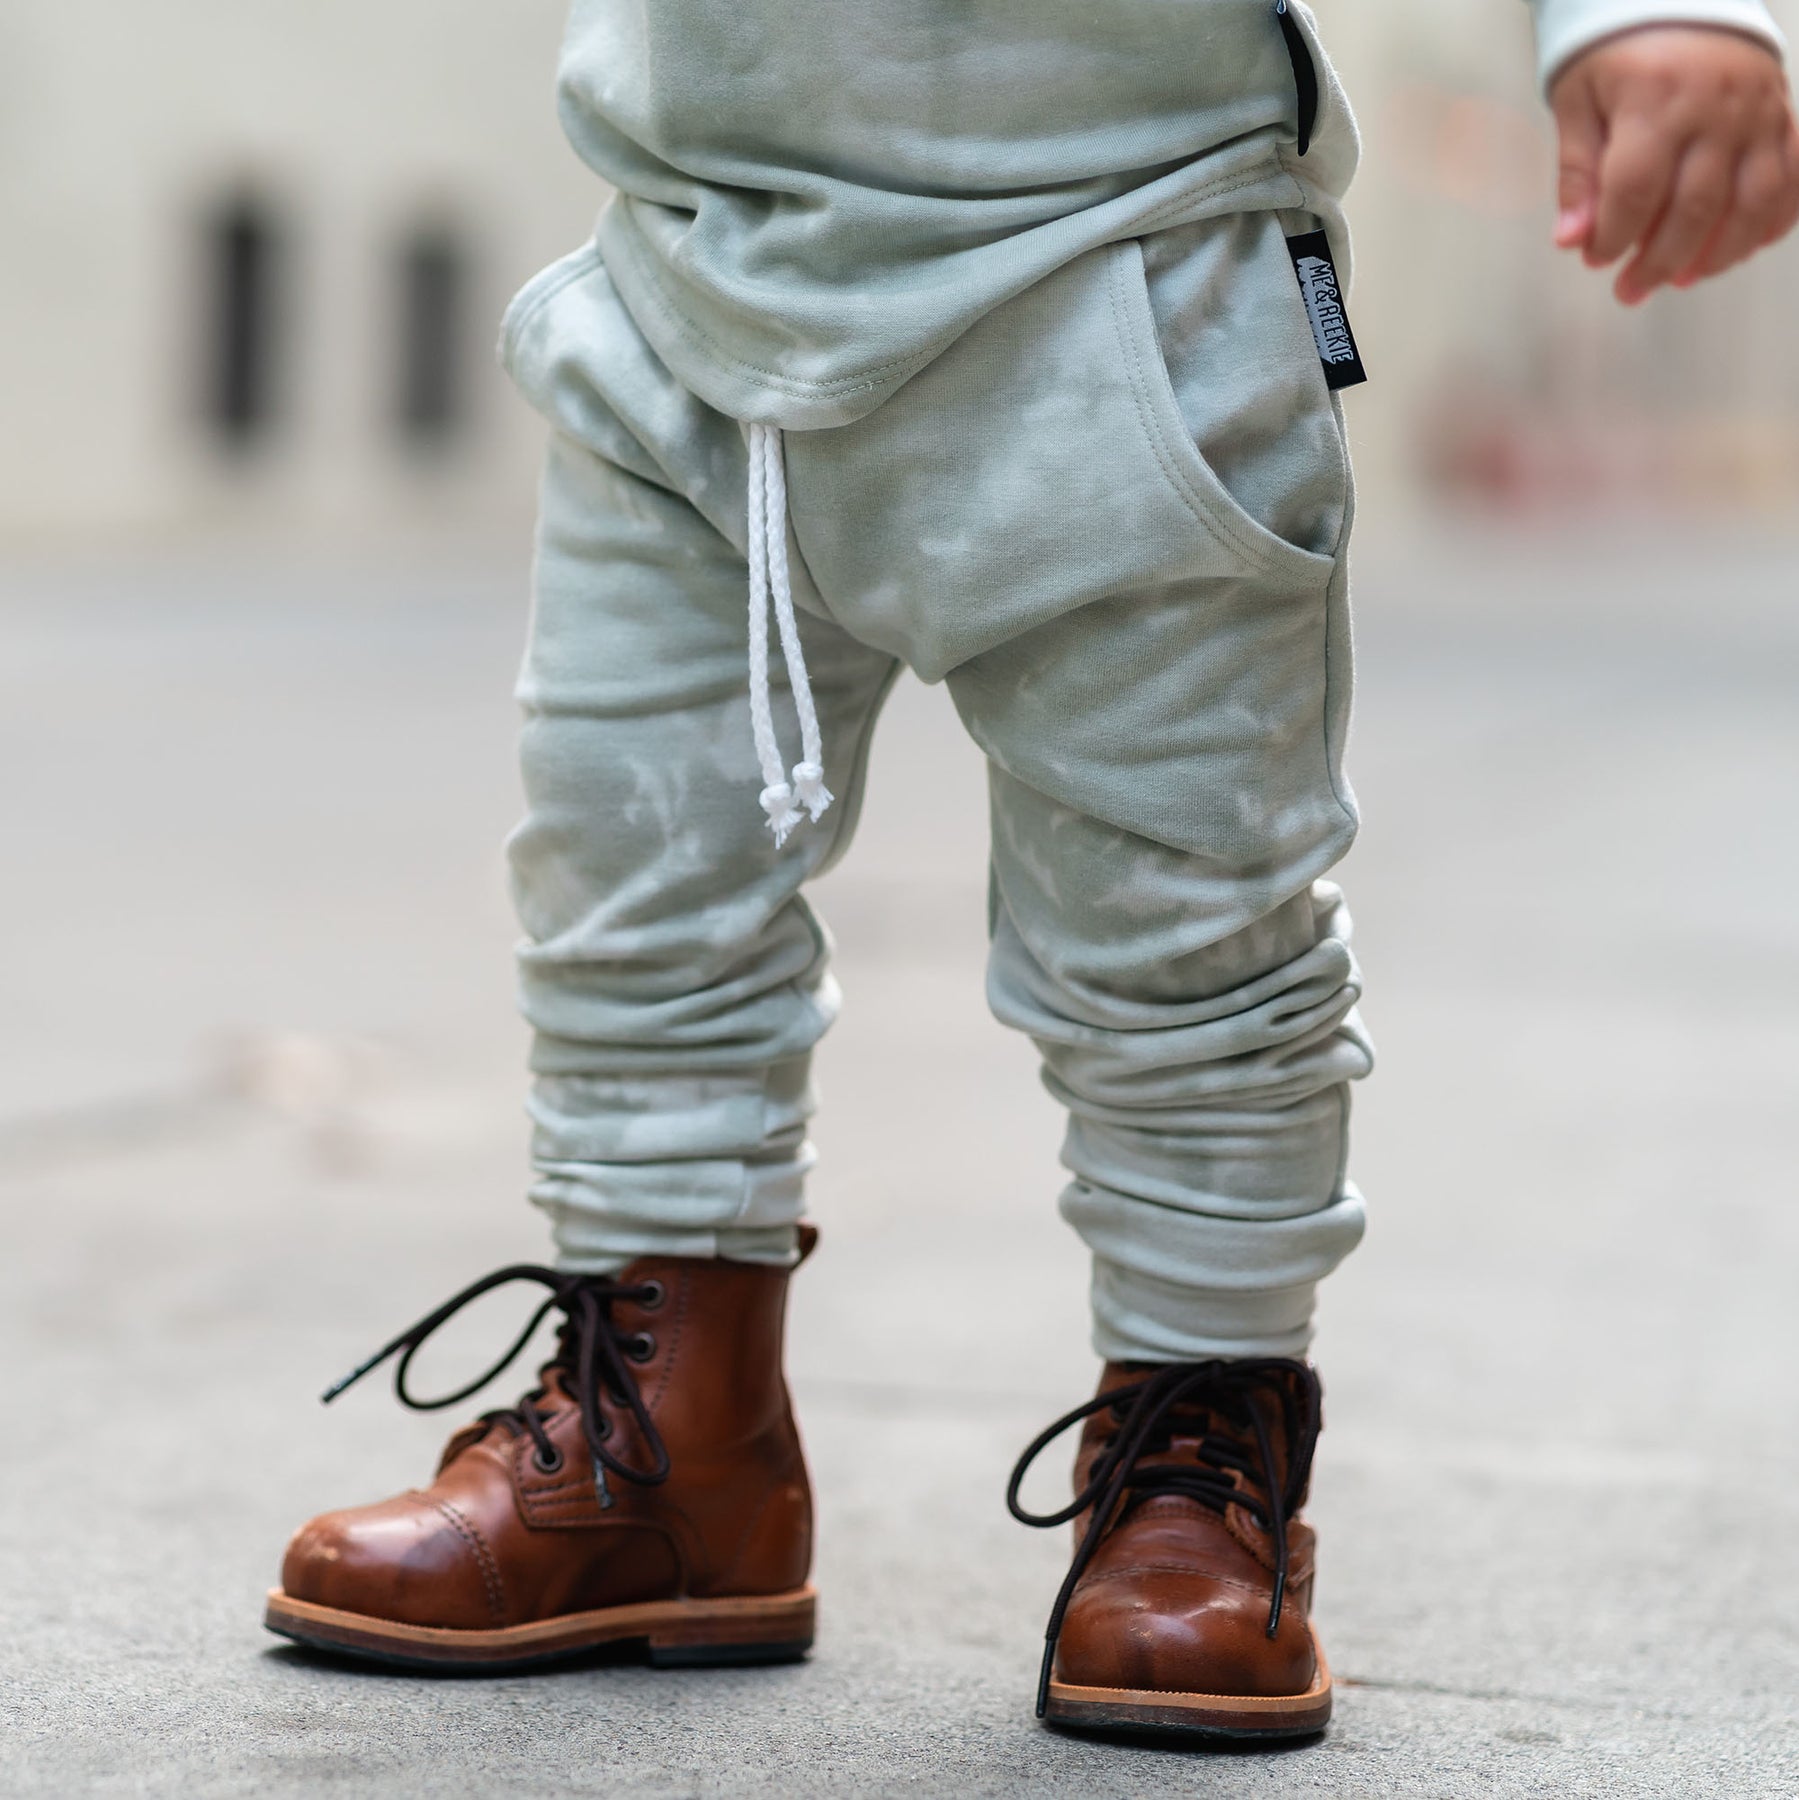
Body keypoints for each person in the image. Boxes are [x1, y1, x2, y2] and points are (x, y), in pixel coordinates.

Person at [262, 0, 1798, 1741]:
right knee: (629, 881)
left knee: (1191, 938)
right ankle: (672, 1444)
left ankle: (1196, 1460)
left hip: (1127, 263)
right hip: (694, 260)